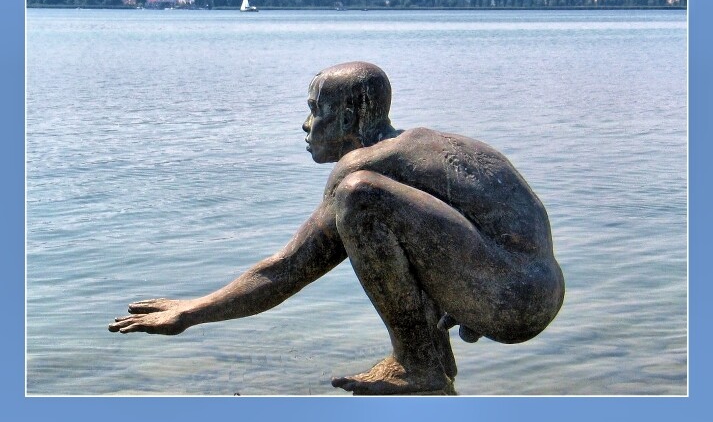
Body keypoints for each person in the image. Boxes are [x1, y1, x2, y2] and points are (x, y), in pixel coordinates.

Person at [109, 61, 565, 395]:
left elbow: (287, 270)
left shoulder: (366, 165)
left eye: (315, 110)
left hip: (510, 294)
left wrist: (191, 312)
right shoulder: (428, 147)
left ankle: (416, 364)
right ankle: (434, 361)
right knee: (388, 218)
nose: (305, 125)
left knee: (358, 196)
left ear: (348, 119)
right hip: (532, 290)